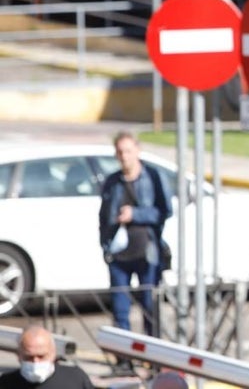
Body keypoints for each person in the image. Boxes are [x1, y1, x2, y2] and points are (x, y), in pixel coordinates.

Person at [98, 131, 172, 374]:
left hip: (146, 253)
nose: (124, 157)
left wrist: (136, 214)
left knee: (150, 307)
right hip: (119, 255)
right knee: (120, 310)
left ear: (137, 151)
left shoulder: (152, 177)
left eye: (128, 151)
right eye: (120, 152)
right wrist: (105, 247)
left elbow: (164, 211)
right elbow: (103, 216)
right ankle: (124, 360)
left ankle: (153, 358)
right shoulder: (112, 181)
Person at [0, 325, 94, 388]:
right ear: (19, 355)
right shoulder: (5, 384)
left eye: (41, 356)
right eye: (29, 357)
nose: (35, 362)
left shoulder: (76, 378)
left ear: (53, 353)